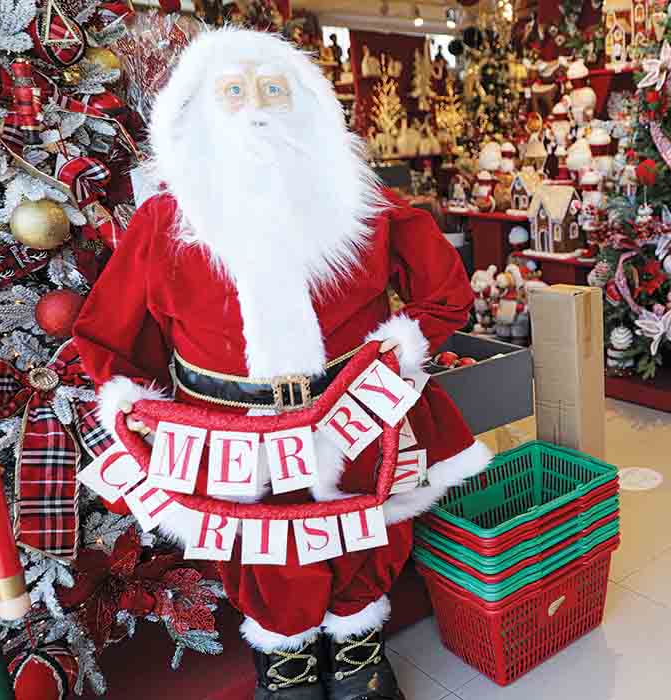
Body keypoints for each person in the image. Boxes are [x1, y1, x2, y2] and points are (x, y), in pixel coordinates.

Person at [73, 28, 491, 700]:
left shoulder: (364, 205)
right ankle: (287, 661)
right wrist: (135, 402)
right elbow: (108, 331)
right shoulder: (163, 221)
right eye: (233, 91)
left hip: (354, 414)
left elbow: (444, 291)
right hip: (229, 427)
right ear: (197, 110)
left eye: (273, 89)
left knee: (368, 530)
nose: (256, 108)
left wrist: (404, 348)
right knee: (258, 548)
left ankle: (357, 650)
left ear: (309, 105)